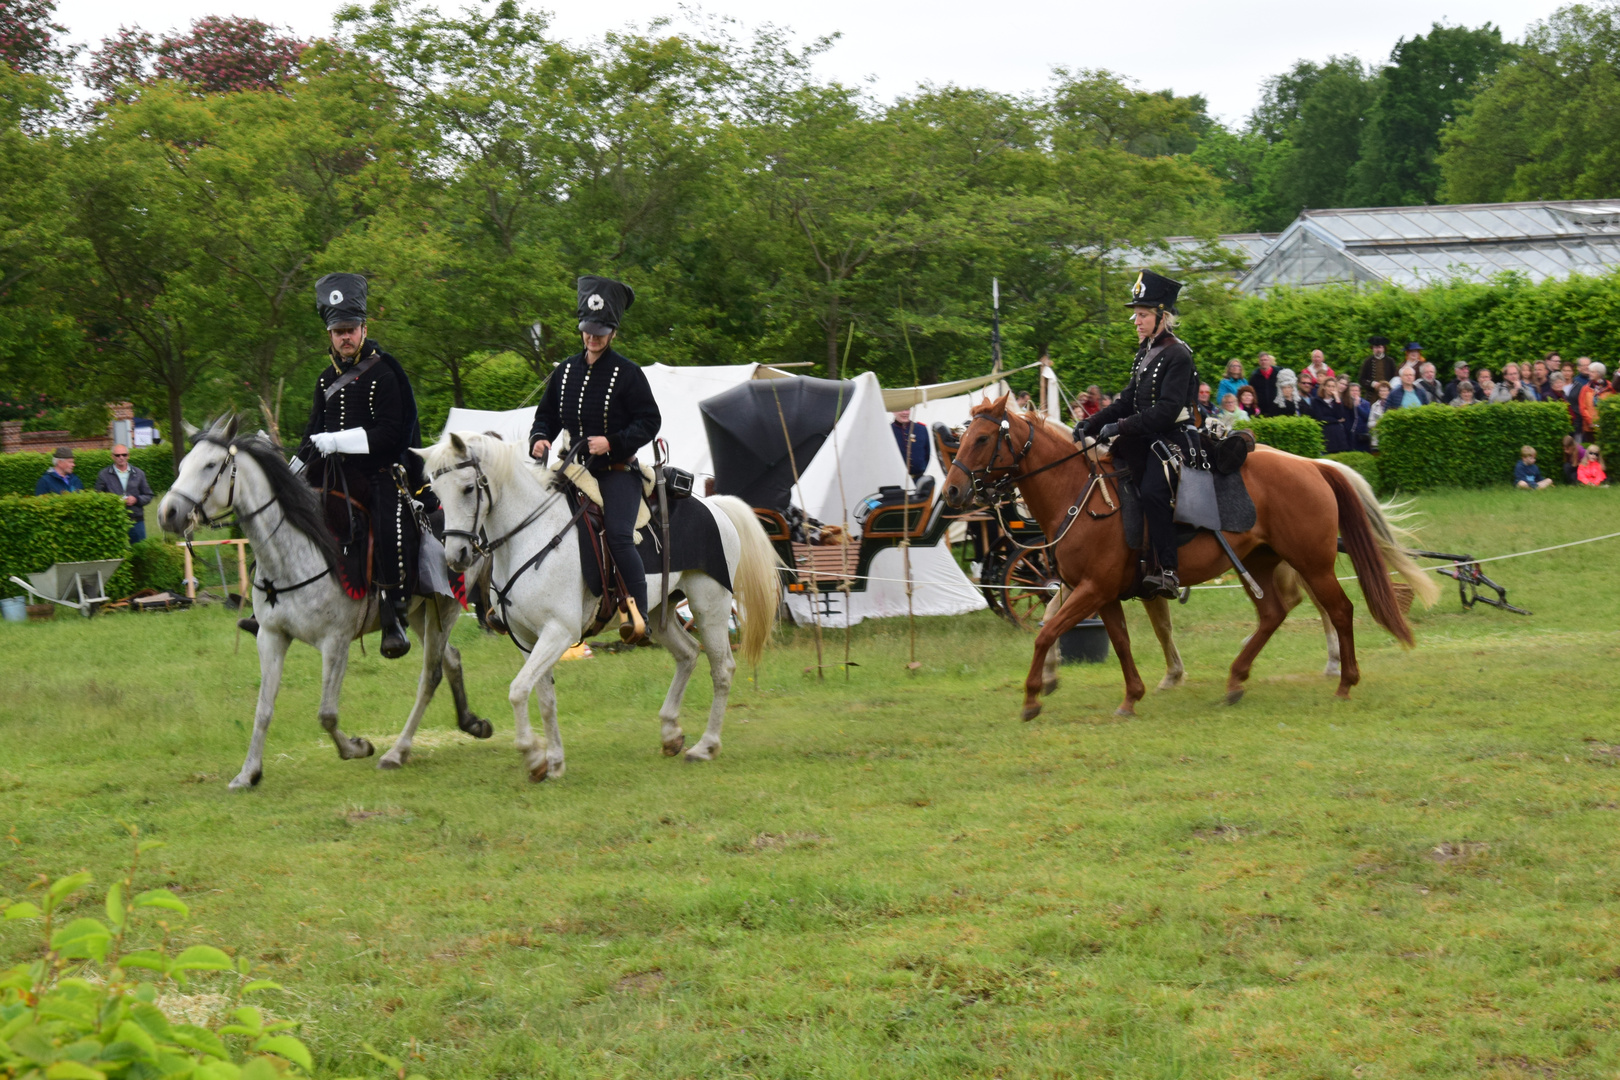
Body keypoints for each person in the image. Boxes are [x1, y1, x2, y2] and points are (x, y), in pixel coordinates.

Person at [294, 272, 425, 660]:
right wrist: (289, 472)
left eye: (351, 329)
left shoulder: (385, 372)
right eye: (338, 331)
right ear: (330, 336)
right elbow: (310, 434)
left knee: (386, 521)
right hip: (331, 473)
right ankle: (270, 599)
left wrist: (340, 441)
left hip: (377, 471)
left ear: (364, 329)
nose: (345, 337)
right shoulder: (323, 381)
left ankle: (392, 614)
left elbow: (391, 434)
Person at [530, 275, 662, 644]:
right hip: (572, 469)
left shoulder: (628, 373)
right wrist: (539, 438)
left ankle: (637, 615)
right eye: (588, 331)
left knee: (619, 536)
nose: (593, 338)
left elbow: (651, 421)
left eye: (601, 331)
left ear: (614, 331)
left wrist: (614, 442)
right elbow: (546, 417)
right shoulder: (566, 370)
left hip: (616, 473)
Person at [1075, 270, 1198, 599]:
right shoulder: (1144, 353)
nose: (1136, 320)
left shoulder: (1178, 354)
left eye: (1142, 315)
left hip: (1175, 438)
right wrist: (1093, 422)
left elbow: (1166, 411)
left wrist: (1121, 427)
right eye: (1136, 314)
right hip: (1146, 437)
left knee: (1154, 491)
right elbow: (1127, 401)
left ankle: (1169, 570)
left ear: (1162, 316)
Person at [94, 444, 155, 542]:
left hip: (136, 521)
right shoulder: (104, 474)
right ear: (112, 456)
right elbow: (97, 497)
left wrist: (136, 499)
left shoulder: (139, 473)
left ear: (128, 455)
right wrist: (115, 501)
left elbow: (148, 495)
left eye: (124, 455)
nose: (121, 457)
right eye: (117, 455)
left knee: (139, 552)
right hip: (114, 521)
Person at [1313, 381, 1352, 453]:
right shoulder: (1316, 401)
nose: (1331, 388)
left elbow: (1340, 415)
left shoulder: (1336, 401)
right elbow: (1320, 418)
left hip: (1338, 435)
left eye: (1333, 386)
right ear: (1324, 387)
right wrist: (1336, 420)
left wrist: (1337, 398)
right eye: (1329, 386)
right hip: (1325, 434)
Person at [890, 407, 929, 480]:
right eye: (901, 409)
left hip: (918, 479)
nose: (905, 413)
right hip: (896, 481)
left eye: (907, 409)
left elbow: (927, 454)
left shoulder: (921, 429)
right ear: (893, 411)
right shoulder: (888, 431)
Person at [1578, 362, 1612, 438]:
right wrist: (1590, 422)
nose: (1589, 373)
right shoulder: (1586, 388)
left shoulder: (1610, 388)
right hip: (1589, 428)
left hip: (1605, 428)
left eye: (1592, 372)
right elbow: (1582, 407)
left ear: (1599, 374)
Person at [1367, 381, 1392, 451]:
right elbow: (1369, 424)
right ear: (1378, 393)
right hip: (1377, 439)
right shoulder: (1374, 406)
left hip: (1390, 438)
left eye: (1385, 391)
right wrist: (1377, 423)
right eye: (1381, 391)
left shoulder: (1393, 404)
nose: (1383, 393)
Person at [1347, 383, 1371, 451]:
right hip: (1350, 433)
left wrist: (1358, 406)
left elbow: (1367, 416)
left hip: (1362, 433)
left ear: (1360, 392)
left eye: (1356, 390)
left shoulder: (1365, 403)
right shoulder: (1346, 402)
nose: (1354, 392)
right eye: (1352, 390)